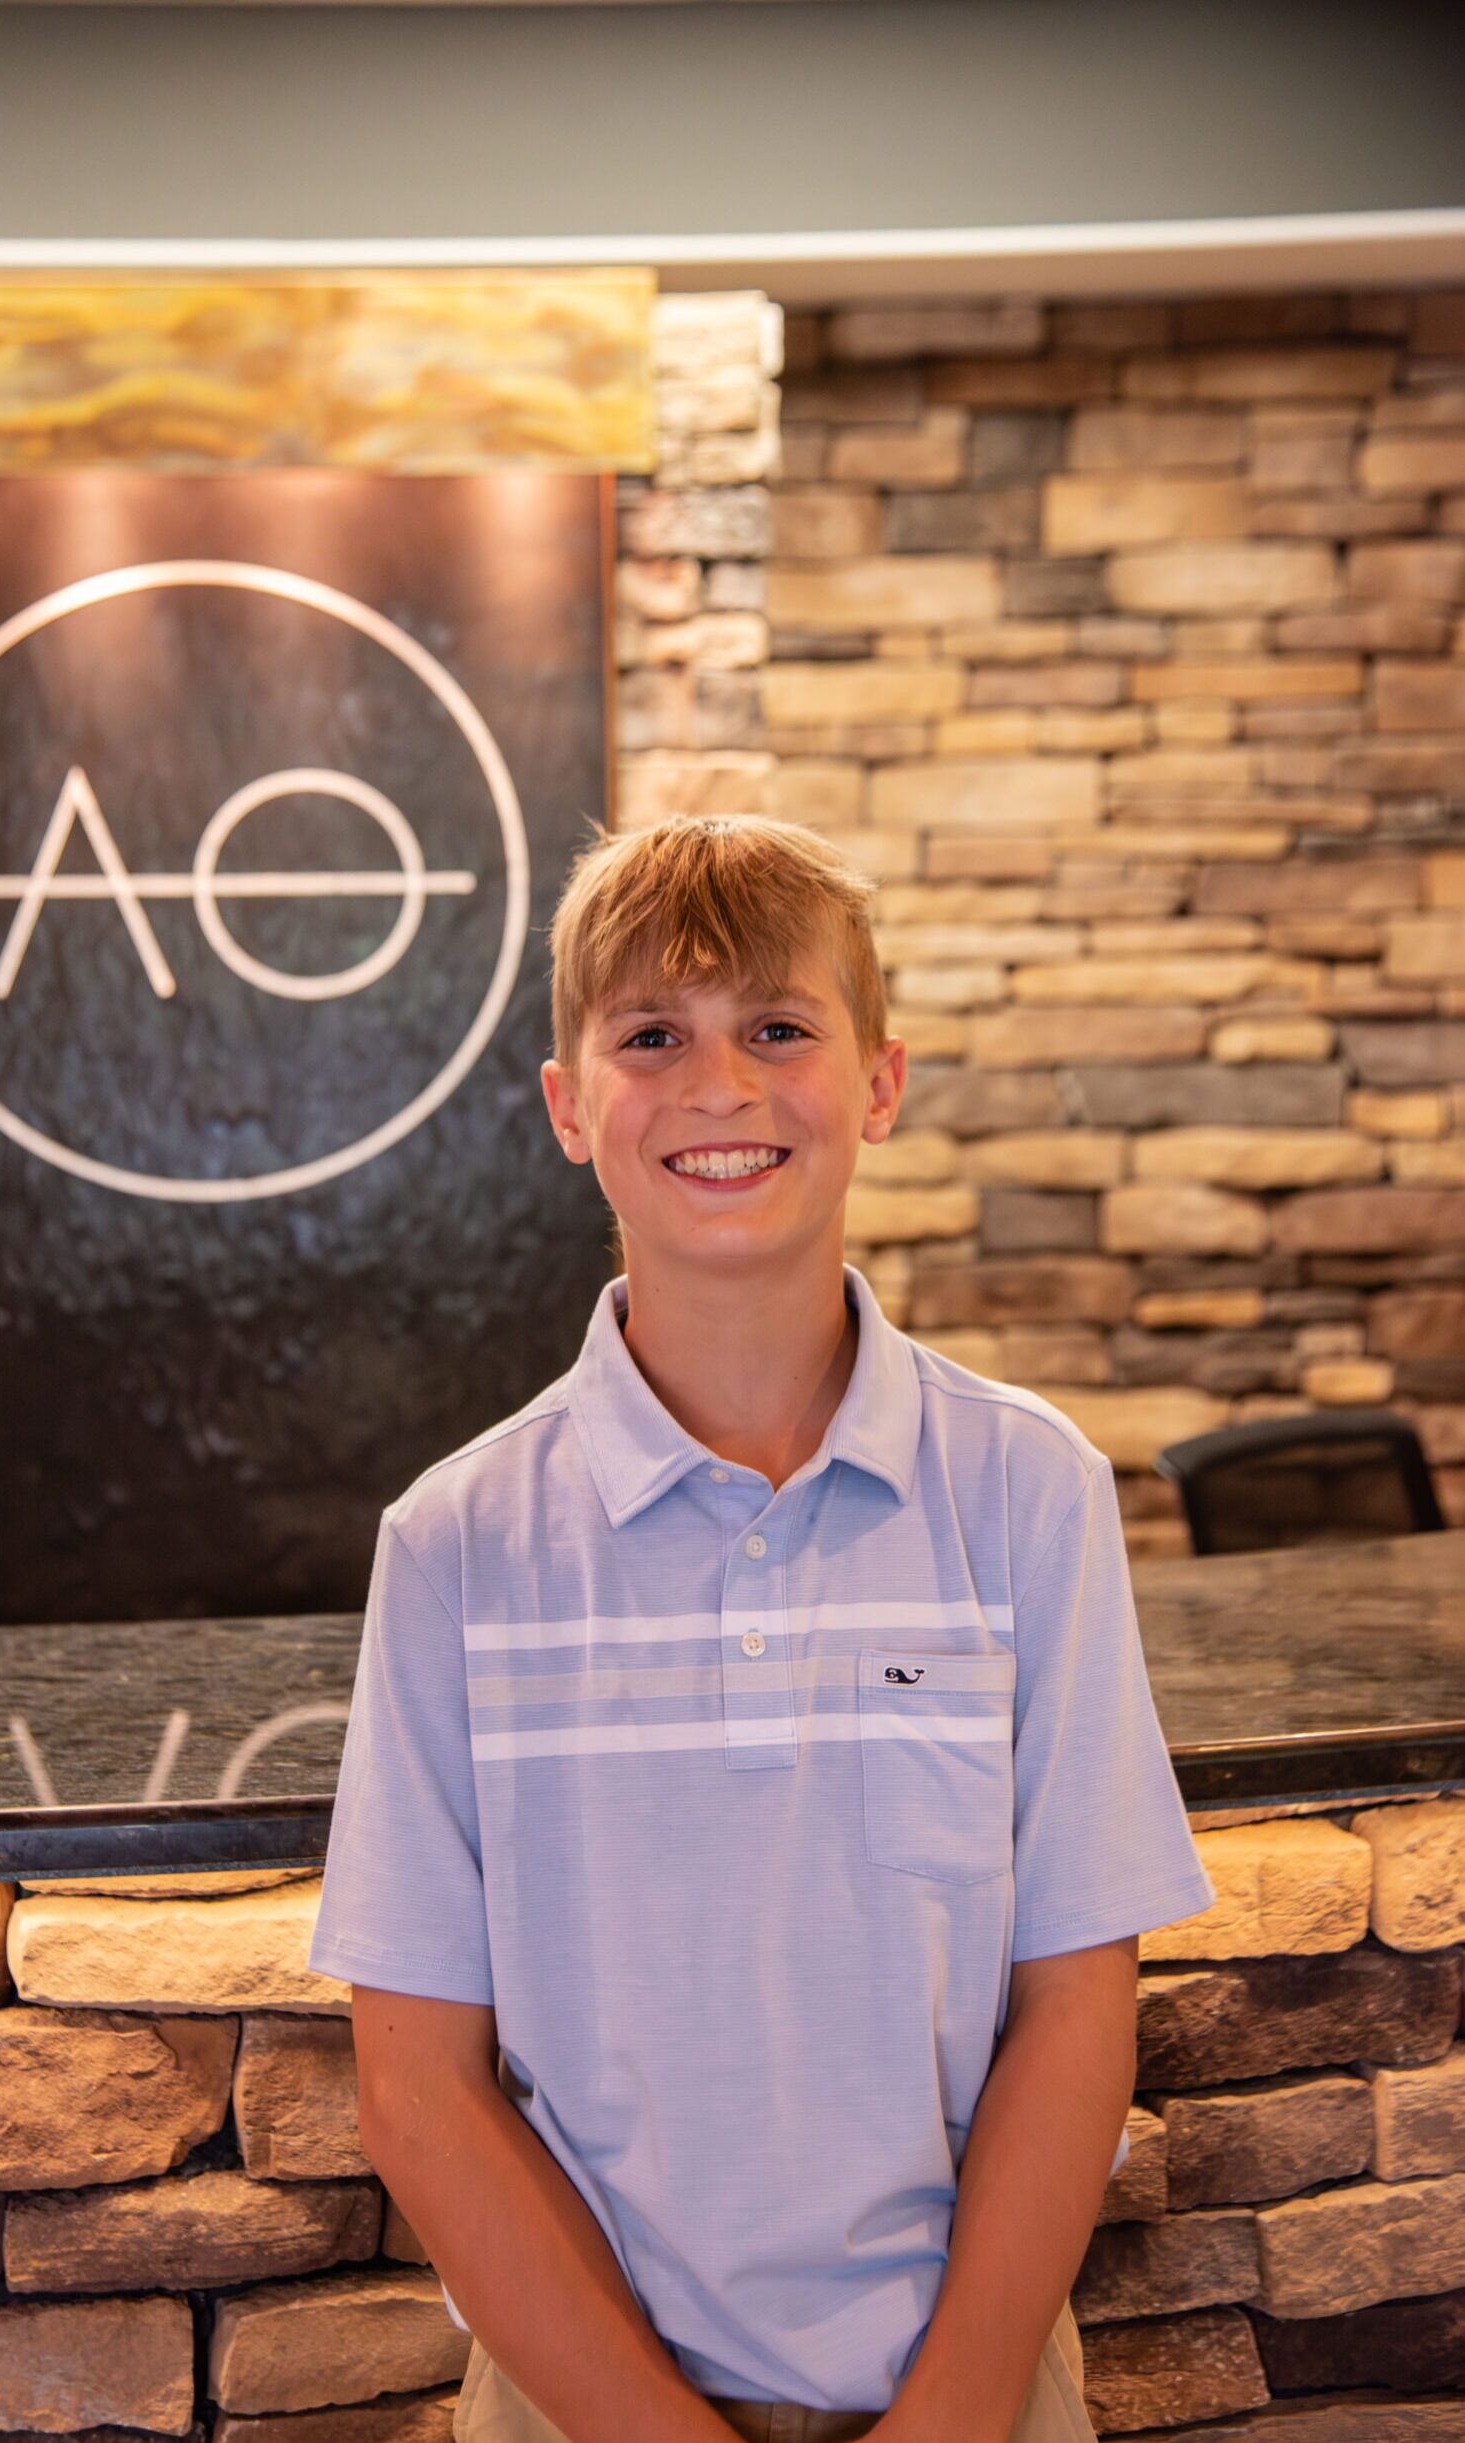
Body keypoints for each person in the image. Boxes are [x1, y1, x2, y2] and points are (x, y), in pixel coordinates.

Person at [310, 812, 1216, 2443]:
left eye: (777, 1029)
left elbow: (1077, 2012)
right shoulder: (457, 1544)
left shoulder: (1027, 1494)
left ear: (877, 1081)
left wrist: (948, 2419)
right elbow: (418, 2087)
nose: (718, 1087)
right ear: (569, 1109)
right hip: (574, 2409)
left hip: (977, 2395)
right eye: (651, 1035)